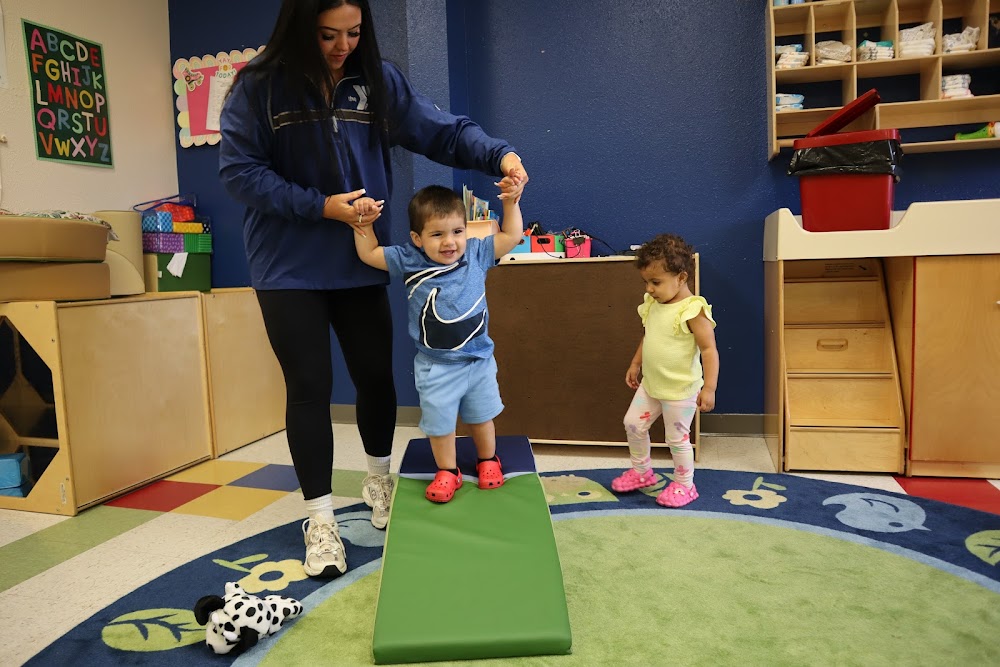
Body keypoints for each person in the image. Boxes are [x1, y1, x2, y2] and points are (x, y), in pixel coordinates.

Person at [218, 0, 528, 578]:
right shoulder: (258, 85)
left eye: (354, 33)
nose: (342, 47)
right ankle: (319, 519)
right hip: (287, 266)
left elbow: (440, 130)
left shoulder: (376, 81)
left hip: (359, 260)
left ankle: (378, 481)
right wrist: (321, 206)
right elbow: (241, 173)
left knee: (375, 377)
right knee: (309, 387)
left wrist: (499, 154)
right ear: (298, 30)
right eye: (327, 35)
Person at [353, 185, 523, 503]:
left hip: (478, 361)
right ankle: (448, 470)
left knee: (481, 417)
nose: (450, 242)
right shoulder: (409, 258)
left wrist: (512, 202)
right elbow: (369, 254)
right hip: (436, 366)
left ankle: (488, 460)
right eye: (437, 234)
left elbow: (512, 236)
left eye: (457, 231)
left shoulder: (476, 252)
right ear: (417, 238)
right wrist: (363, 223)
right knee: (440, 424)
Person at [612, 234, 719, 508]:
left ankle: (685, 485)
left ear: (681, 278)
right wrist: (636, 363)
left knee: (677, 439)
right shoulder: (653, 304)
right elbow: (649, 336)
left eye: (656, 282)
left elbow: (709, 350)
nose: (649, 289)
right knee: (633, 424)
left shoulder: (693, 310)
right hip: (652, 385)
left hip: (680, 391)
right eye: (646, 282)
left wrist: (709, 388)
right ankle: (642, 472)